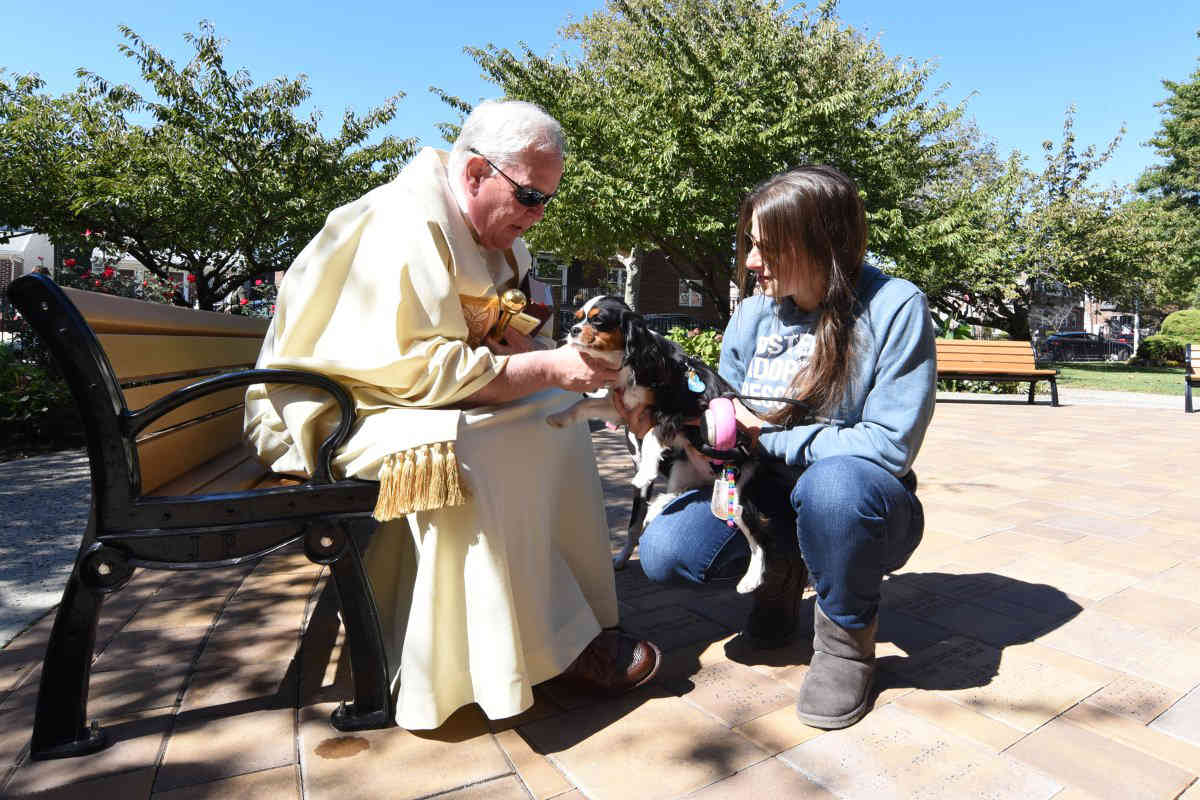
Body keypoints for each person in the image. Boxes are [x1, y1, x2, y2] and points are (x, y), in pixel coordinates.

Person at [244, 100, 660, 730]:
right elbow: (411, 370)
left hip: (389, 399)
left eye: (547, 199)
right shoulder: (398, 225)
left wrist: (546, 360)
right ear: (474, 173)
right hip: (327, 413)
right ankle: (512, 655)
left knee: (558, 415)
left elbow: (494, 339)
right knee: (475, 450)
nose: (537, 214)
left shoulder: (491, 234)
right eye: (528, 196)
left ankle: (570, 625)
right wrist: (545, 367)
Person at [615, 165, 935, 730]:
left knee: (834, 486)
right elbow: (722, 418)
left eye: (767, 247)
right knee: (669, 550)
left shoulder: (894, 305)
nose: (750, 262)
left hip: (862, 507)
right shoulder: (753, 313)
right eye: (750, 244)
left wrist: (767, 433)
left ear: (821, 244)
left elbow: (889, 446)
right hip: (760, 492)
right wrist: (660, 424)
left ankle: (845, 643)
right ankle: (781, 571)